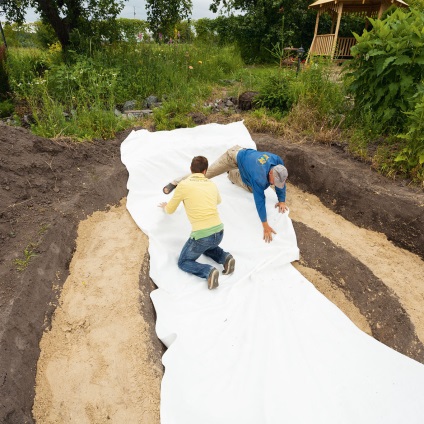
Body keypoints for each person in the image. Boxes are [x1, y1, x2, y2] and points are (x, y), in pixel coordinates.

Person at [163, 146, 288, 243]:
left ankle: (231, 173)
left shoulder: (277, 162)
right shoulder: (258, 176)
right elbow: (260, 200)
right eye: (274, 182)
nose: (275, 184)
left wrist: (281, 200)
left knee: (250, 188)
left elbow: (281, 181)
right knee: (206, 174)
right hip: (233, 156)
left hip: (246, 161)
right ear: (271, 173)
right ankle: (176, 182)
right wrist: (265, 225)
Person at [159, 156, 235, 290]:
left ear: (190, 169)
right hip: (219, 232)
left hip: (202, 235)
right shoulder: (211, 184)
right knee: (208, 247)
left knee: (183, 262)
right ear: (205, 171)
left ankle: (208, 272)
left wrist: (166, 206)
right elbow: (218, 201)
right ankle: (225, 258)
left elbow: (170, 210)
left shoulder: (184, 185)